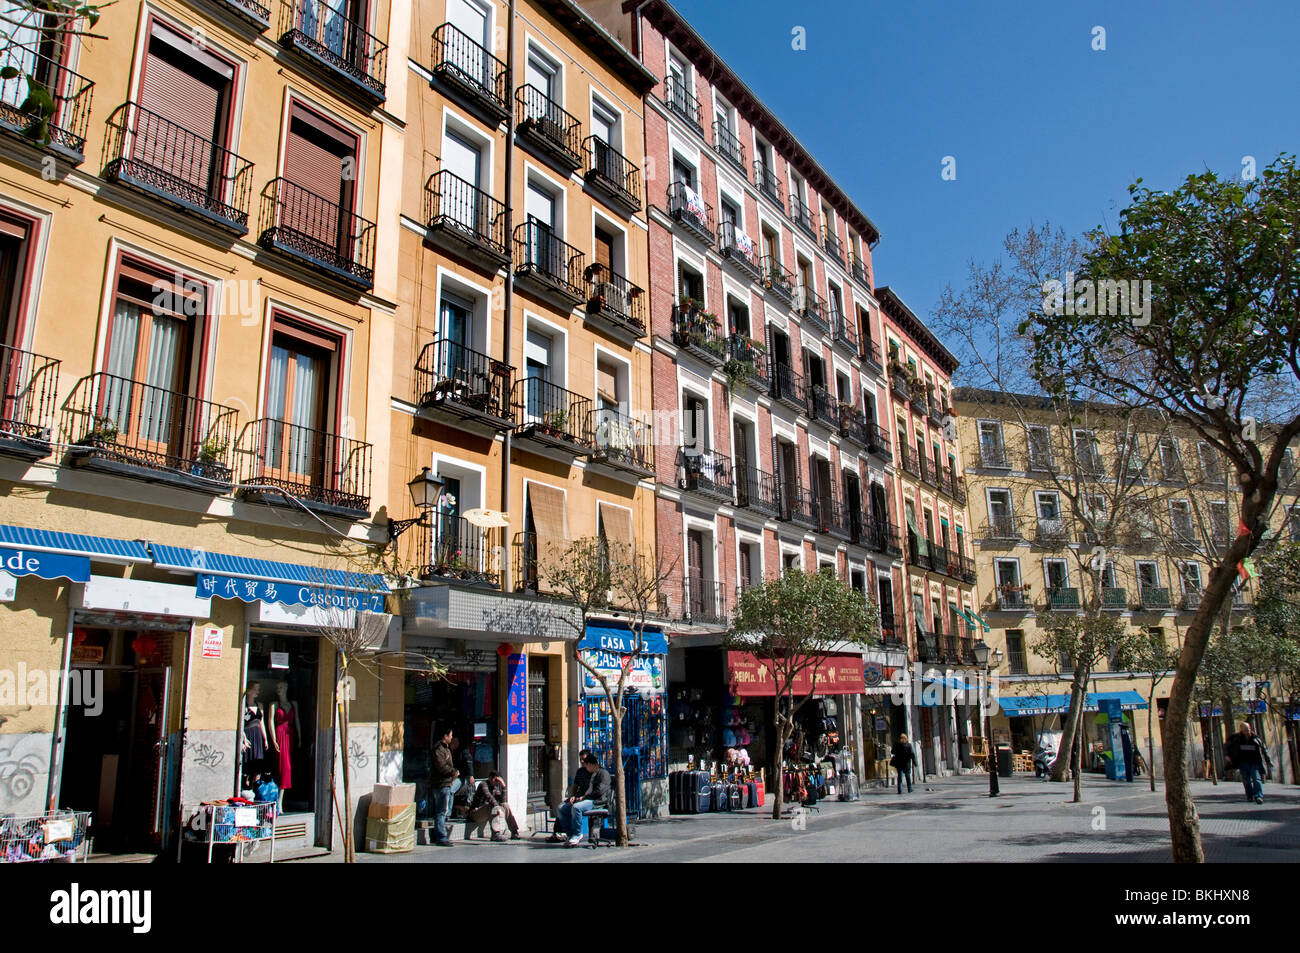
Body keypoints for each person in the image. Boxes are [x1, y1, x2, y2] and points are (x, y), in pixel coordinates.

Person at [555, 753, 609, 847]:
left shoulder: (602, 774)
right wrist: (575, 797)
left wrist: (583, 798)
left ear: (593, 765)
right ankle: (569, 834)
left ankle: (577, 833)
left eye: (587, 766)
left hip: (596, 801)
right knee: (561, 808)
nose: (586, 768)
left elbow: (598, 792)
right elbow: (579, 788)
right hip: (584, 799)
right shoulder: (586, 773)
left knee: (576, 807)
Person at [1224, 721, 1272, 804]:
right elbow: (1226, 746)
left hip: (1255, 762)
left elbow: (1264, 750)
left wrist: (1268, 761)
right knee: (1246, 780)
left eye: (1248, 728)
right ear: (1241, 730)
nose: (1248, 730)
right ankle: (1249, 795)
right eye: (1245, 729)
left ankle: (1258, 796)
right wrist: (1227, 755)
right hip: (1243, 762)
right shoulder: (1236, 738)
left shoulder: (1256, 738)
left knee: (1256, 779)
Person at [466, 771, 520, 841]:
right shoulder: (483, 784)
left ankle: (514, 831)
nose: (496, 782)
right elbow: (489, 797)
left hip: (486, 813)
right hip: (475, 813)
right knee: (491, 805)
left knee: (505, 805)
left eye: (498, 781)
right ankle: (495, 834)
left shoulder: (495, 787)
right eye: (495, 780)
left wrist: (503, 786)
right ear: (490, 778)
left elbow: (502, 801)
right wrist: (498, 809)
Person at [430, 724, 459, 846]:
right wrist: (453, 772)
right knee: (441, 811)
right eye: (450, 735)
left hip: (447, 783)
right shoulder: (439, 749)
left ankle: (441, 834)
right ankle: (441, 837)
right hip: (441, 784)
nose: (452, 738)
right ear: (445, 736)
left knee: (443, 810)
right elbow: (441, 767)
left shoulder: (446, 748)